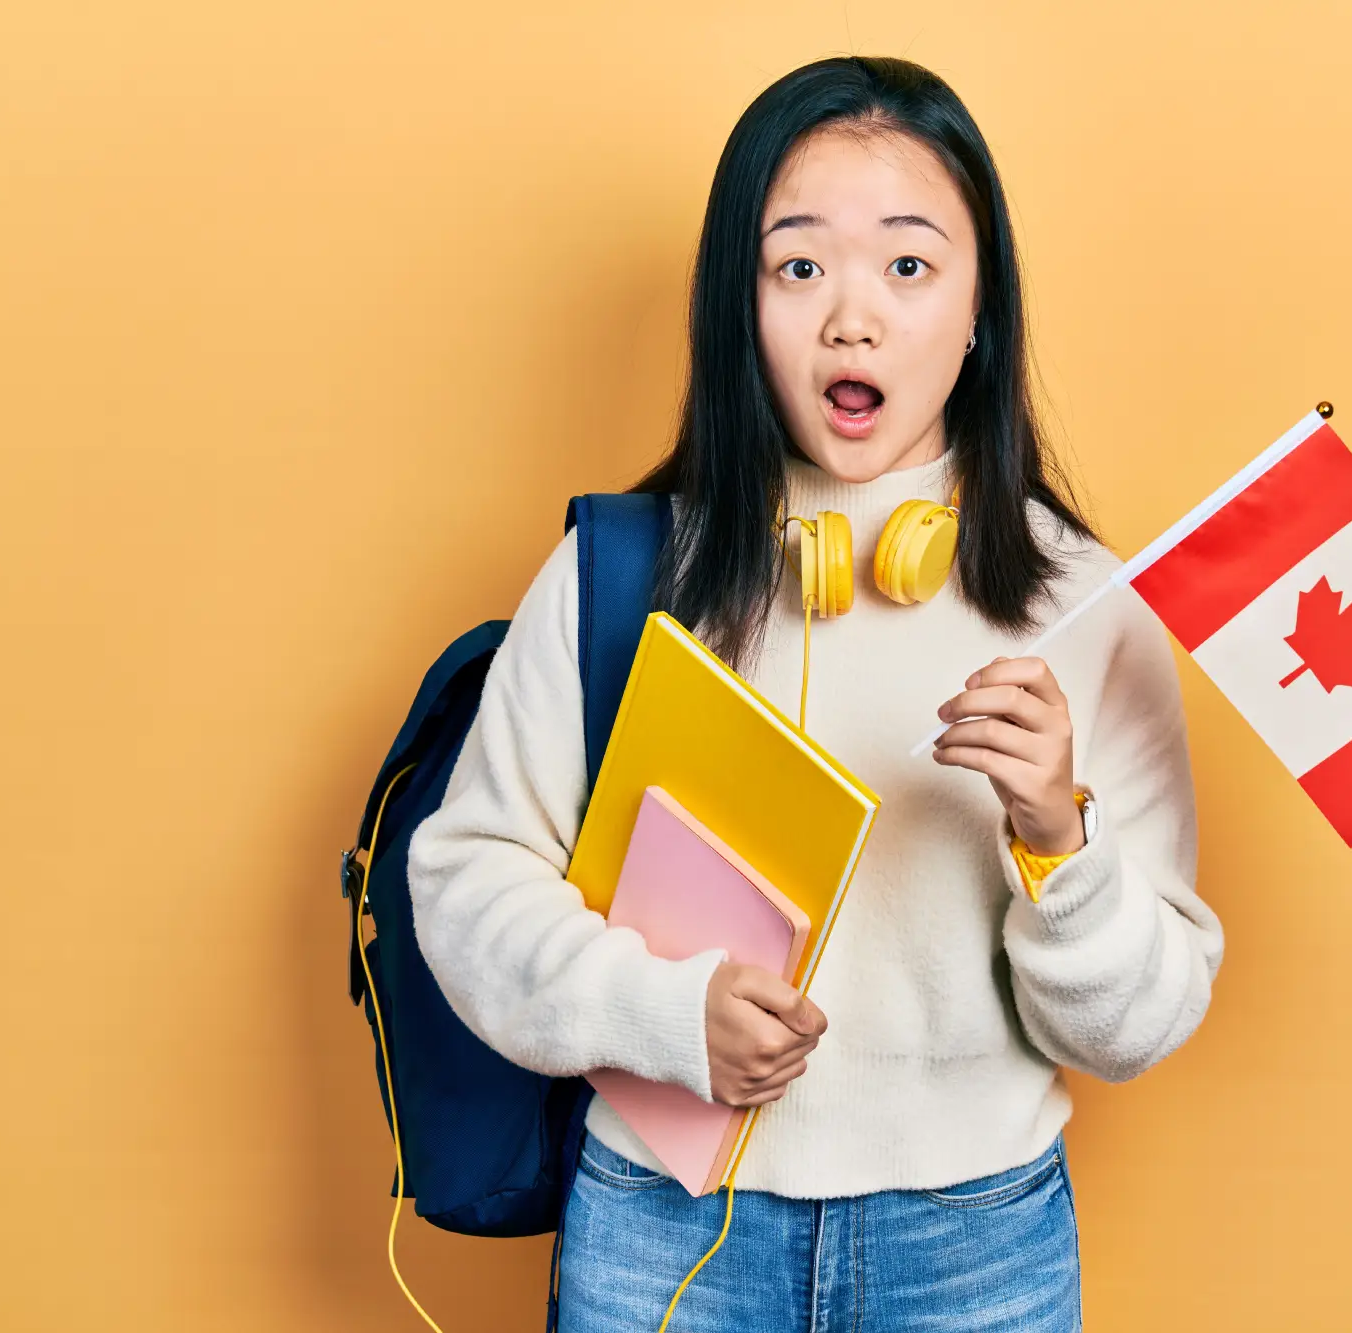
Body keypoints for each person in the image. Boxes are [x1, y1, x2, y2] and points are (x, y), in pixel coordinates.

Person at [409, 54, 1223, 1332]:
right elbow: (465, 885)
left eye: (907, 265)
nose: (852, 319)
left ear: (979, 307)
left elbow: (1135, 1027)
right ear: (738, 307)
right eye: (798, 267)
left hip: (975, 1246)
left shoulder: (1084, 602)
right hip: (663, 1224)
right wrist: (663, 1015)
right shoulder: (625, 574)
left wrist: (1057, 840)